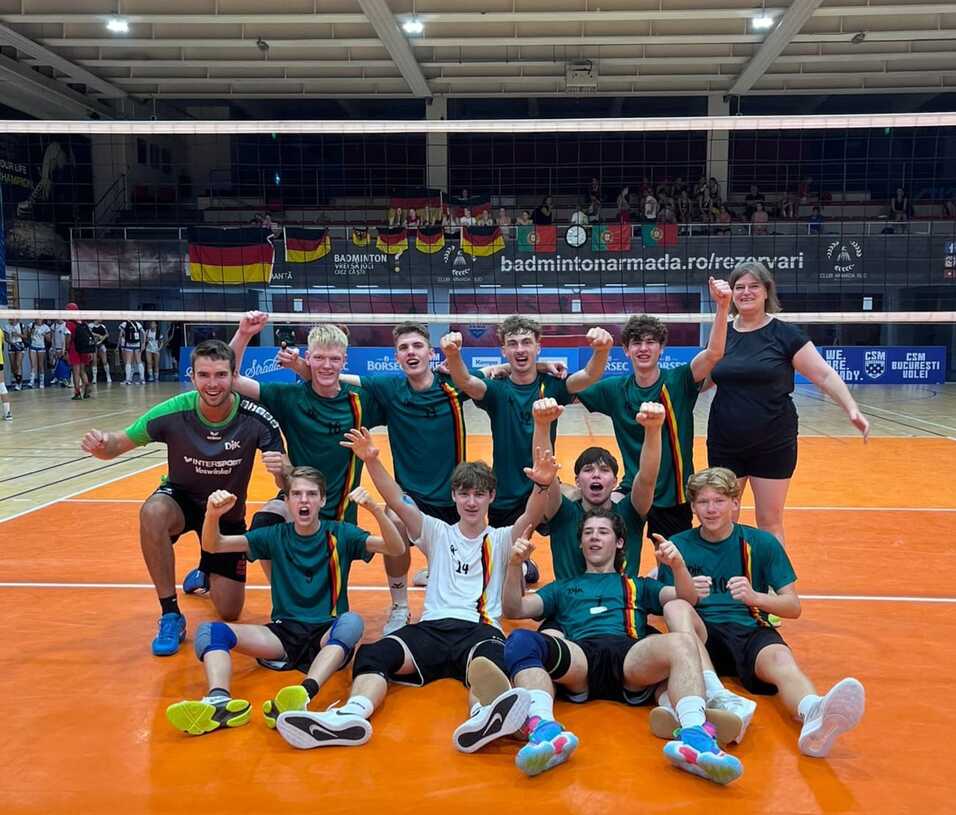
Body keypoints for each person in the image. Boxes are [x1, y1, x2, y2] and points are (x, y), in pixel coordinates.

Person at [274, 428, 559, 752]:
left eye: (479, 494)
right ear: (453, 496)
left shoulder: (501, 538)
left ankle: (483, 715)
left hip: (478, 629)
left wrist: (543, 485)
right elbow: (397, 499)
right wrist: (371, 461)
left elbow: (532, 515)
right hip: (431, 629)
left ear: (491, 497)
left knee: (490, 662)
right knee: (373, 653)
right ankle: (352, 715)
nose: (471, 501)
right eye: (464, 493)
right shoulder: (435, 532)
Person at [500, 510, 743, 784]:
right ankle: (544, 731)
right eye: (588, 533)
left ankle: (696, 739)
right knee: (520, 640)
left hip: (630, 659)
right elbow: (514, 608)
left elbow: (687, 598)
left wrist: (677, 566)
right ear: (580, 543)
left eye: (603, 532)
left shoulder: (637, 584)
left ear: (618, 543)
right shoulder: (563, 587)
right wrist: (513, 565)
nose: (594, 538)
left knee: (683, 641)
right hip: (582, 660)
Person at [80, 340, 285, 656]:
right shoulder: (173, 411)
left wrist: (283, 468)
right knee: (152, 512)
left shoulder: (256, 418)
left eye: (220, 375)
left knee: (230, 612)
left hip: (226, 514)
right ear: (192, 376)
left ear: (233, 377)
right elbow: (116, 445)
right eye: (204, 375)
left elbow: (285, 480)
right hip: (181, 500)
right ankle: (170, 613)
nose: (212, 384)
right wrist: (101, 445)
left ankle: (206, 570)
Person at [166, 469, 405, 737]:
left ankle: (304, 693)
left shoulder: (341, 534)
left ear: (322, 501)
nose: (304, 501)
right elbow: (214, 545)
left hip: (328, 634)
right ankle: (219, 701)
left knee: (352, 622)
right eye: (297, 494)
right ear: (288, 501)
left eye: (312, 494)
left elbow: (395, 548)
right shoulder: (274, 535)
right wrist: (212, 514)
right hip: (283, 634)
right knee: (211, 631)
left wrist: (375, 509)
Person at [654, 467, 865, 756]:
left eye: (719, 501)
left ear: (735, 504)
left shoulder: (761, 543)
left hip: (749, 627)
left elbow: (793, 606)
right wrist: (686, 585)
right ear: (693, 507)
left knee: (780, 658)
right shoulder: (678, 545)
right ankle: (715, 694)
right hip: (702, 636)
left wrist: (756, 597)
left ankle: (813, 712)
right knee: (677, 606)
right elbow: (668, 601)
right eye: (703, 502)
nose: (711, 509)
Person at [281, 321, 471, 635]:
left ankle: (438, 569)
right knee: (394, 520)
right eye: (403, 348)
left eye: (417, 346)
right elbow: (330, 378)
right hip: (409, 497)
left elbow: (493, 378)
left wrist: (538, 363)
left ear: (431, 353)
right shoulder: (387, 388)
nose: (411, 352)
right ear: (396, 357)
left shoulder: (454, 385)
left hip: (454, 497)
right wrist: (303, 366)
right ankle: (399, 605)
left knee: (467, 578)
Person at [705, 262, 870, 544]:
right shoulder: (723, 333)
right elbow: (702, 379)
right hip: (725, 442)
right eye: (739, 287)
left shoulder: (785, 335)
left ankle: (775, 586)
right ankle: (727, 582)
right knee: (722, 520)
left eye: (754, 286)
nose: (746, 292)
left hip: (773, 442)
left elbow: (824, 374)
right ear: (730, 293)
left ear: (767, 291)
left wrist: (851, 407)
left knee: (769, 522)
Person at [227, 315, 385, 586]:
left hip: (338, 513)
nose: (327, 365)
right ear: (308, 358)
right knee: (265, 521)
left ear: (344, 361)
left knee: (323, 594)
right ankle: (283, 594)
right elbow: (230, 378)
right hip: (299, 499)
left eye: (334, 359)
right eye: (320, 358)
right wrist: (243, 334)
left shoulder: (361, 401)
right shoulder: (289, 398)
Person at [576, 279, 732, 541]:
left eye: (650, 342)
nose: (643, 348)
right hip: (633, 490)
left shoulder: (679, 380)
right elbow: (568, 388)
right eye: (636, 343)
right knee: (604, 534)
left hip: (674, 494)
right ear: (626, 350)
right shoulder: (614, 389)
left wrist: (723, 306)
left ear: (661, 348)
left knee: (670, 560)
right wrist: (537, 368)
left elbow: (714, 353)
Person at [442, 316, 613, 529]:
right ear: (504, 351)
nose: (520, 349)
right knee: (506, 556)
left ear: (538, 348)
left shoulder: (552, 385)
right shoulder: (496, 390)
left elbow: (589, 375)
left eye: (526, 342)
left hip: (545, 488)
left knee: (573, 519)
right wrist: (452, 354)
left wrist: (602, 350)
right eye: (513, 344)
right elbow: (465, 381)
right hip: (506, 493)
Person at [532, 398, 664, 582]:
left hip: (620, 605)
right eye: (588, 470)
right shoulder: (563, 513)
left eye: (604, 470)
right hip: (572, 606)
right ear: (577, 481)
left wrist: (653, 430)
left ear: (615, 482)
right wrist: (542, 424)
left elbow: (648, 477)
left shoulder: (629, 512)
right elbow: (544, 467)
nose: (596, 475)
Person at [64, 303, 93, 400]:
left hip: (74, 349)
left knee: (75, 372)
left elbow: (68, 339)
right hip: (84, 349)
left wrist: (66, 350)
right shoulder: (83, 322)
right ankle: (87, 390)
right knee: (82, 371)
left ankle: (77, 393)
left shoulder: (69, 324)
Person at [117, 317, 145, 385]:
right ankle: (142, 379)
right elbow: (143, 333)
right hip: (137, 344)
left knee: (128, 362)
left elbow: (121, 334)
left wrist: (118, 344)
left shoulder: (124, 323)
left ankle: (128, 380)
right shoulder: (138, 324)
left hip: (129, 344)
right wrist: (143, 343)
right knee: (139, 361)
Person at [27, 318, 50, 389]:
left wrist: (45, 335)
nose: (38, 320)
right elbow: (27, 335)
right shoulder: (31, 325)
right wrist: (31, 331)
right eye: (37, 319)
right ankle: (31, 381)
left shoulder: (46, 327)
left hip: (41, 347)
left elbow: (49, 339)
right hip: (33, 346)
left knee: (41, 365)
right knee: (33, 365)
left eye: (40, 319)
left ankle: (42, 382)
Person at [89, 320, 112, 384]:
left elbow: (107, 334)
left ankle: (108, 376)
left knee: (104, 361)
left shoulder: (102, 326)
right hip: (93, 345)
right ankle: (94, 378)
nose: (101, 320)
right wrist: (98, 335)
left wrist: (102, 339)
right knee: (94, 361)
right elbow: (89, 332)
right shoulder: (90, 325)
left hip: (101, 344)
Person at [6, 319, 25, 390]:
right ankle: (18, 380)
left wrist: (17, 334)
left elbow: (25, 336)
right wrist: (12, 342)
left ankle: (19, 383)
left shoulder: (20, 325)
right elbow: (6, 338)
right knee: (13, 366)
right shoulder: (7, 326)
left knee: (18, 364)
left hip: (19, 345)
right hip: (11, 345)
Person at [0, 324, 12, 420]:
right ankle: (7, 413)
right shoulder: (0, 331)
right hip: (0, 360)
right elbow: (3, 346)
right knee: (2, 385)